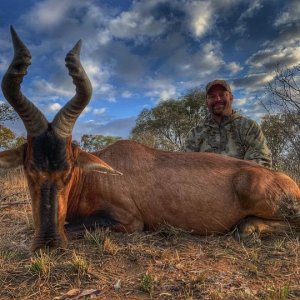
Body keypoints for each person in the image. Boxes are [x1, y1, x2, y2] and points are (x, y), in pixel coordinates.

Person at [185, 79, 272, 168]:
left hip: (241, 181)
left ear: (231, 98)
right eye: (212, 96)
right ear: (207, 102)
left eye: (222, 95)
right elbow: (185, 166)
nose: (218, 99)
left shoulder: (249, 127)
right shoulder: (195, 133)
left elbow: (262, 163)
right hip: (203, 181)